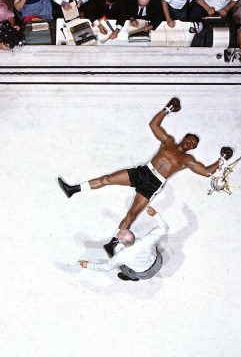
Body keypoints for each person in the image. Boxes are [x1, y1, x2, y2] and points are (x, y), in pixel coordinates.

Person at [58, 99, 232, 247]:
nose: (189, 144)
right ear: (185, 138)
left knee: (132, 214)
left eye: (193, 144)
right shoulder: (168, 141)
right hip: (144, 171)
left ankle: (113, 244)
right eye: (189, 140)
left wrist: (221, 160)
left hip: (153, 183)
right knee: (107, 179)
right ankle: (73, 189)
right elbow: (153, 125)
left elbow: (207, 172)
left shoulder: (187, 160)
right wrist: (167, 109)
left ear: (193, 148)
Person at [79, 206, 168, 282]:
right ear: (132, 234)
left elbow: (106, 267)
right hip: (159, 262)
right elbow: (164, 229)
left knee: (123, 267)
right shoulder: (147, 239)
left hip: (145, 274)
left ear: (120, 242)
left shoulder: (121, 256)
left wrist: (87, 265)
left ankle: (132, 277)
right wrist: (155, 214)